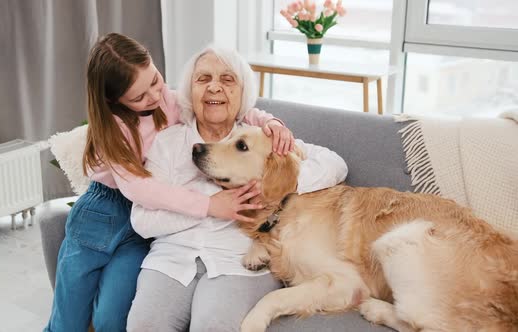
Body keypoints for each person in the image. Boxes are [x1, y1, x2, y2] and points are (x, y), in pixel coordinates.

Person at [44, 33, 295, 332]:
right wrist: (208, 205)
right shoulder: (115, 132)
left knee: (112, 318)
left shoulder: (170, 101)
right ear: (114, 100)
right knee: (68, 316)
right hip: (104, 210)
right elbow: (141, 190)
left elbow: (231, 106)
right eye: (139, 97)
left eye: (155, 80)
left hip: (139, 229)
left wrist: (270, 123)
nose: (154, 95)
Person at [126, 46, 348, 331]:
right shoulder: (167, 144)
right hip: (172, 258)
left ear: (243, 93)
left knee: (213, 325)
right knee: (144, 325)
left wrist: (274, 184)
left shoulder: (261, 138)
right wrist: (210, 204)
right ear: (188, 92)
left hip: (239, 260)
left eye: (228, 80)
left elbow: (335, 164)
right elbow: (142, 221)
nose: (215, 87)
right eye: (203, 79)